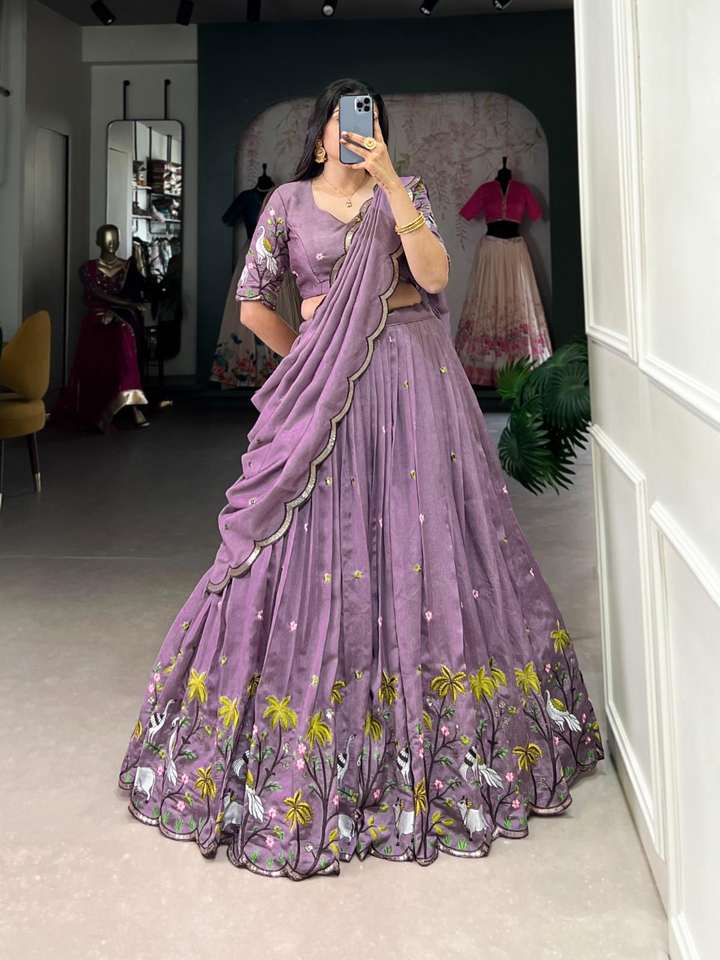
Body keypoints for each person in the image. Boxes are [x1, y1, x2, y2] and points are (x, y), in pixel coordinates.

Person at [117, 79, 604, 880]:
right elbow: (253, 302)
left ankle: (440, 741)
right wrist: (310, 365)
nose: (359, 131)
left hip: (415, 382)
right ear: (319, 136)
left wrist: (391, 186)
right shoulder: (286, 206)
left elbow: (435, 276)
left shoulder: (402, 191)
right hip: (330, 398)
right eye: (348, 122)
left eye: (372, 121)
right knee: (305, 540)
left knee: (427, 535)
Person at [54, 224, 150, 432]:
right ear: (98, 241)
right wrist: (127, 305)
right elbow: (96, 293)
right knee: (103, 344)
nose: (111, 243)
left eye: (114, 238)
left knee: (125, 335)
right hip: (97, 317)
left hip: (122, 318)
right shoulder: (87, 269)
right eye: (106, 238)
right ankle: (101, 408)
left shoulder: (127, 267)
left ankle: (132, 402)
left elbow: (141, 290)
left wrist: (129, 305)